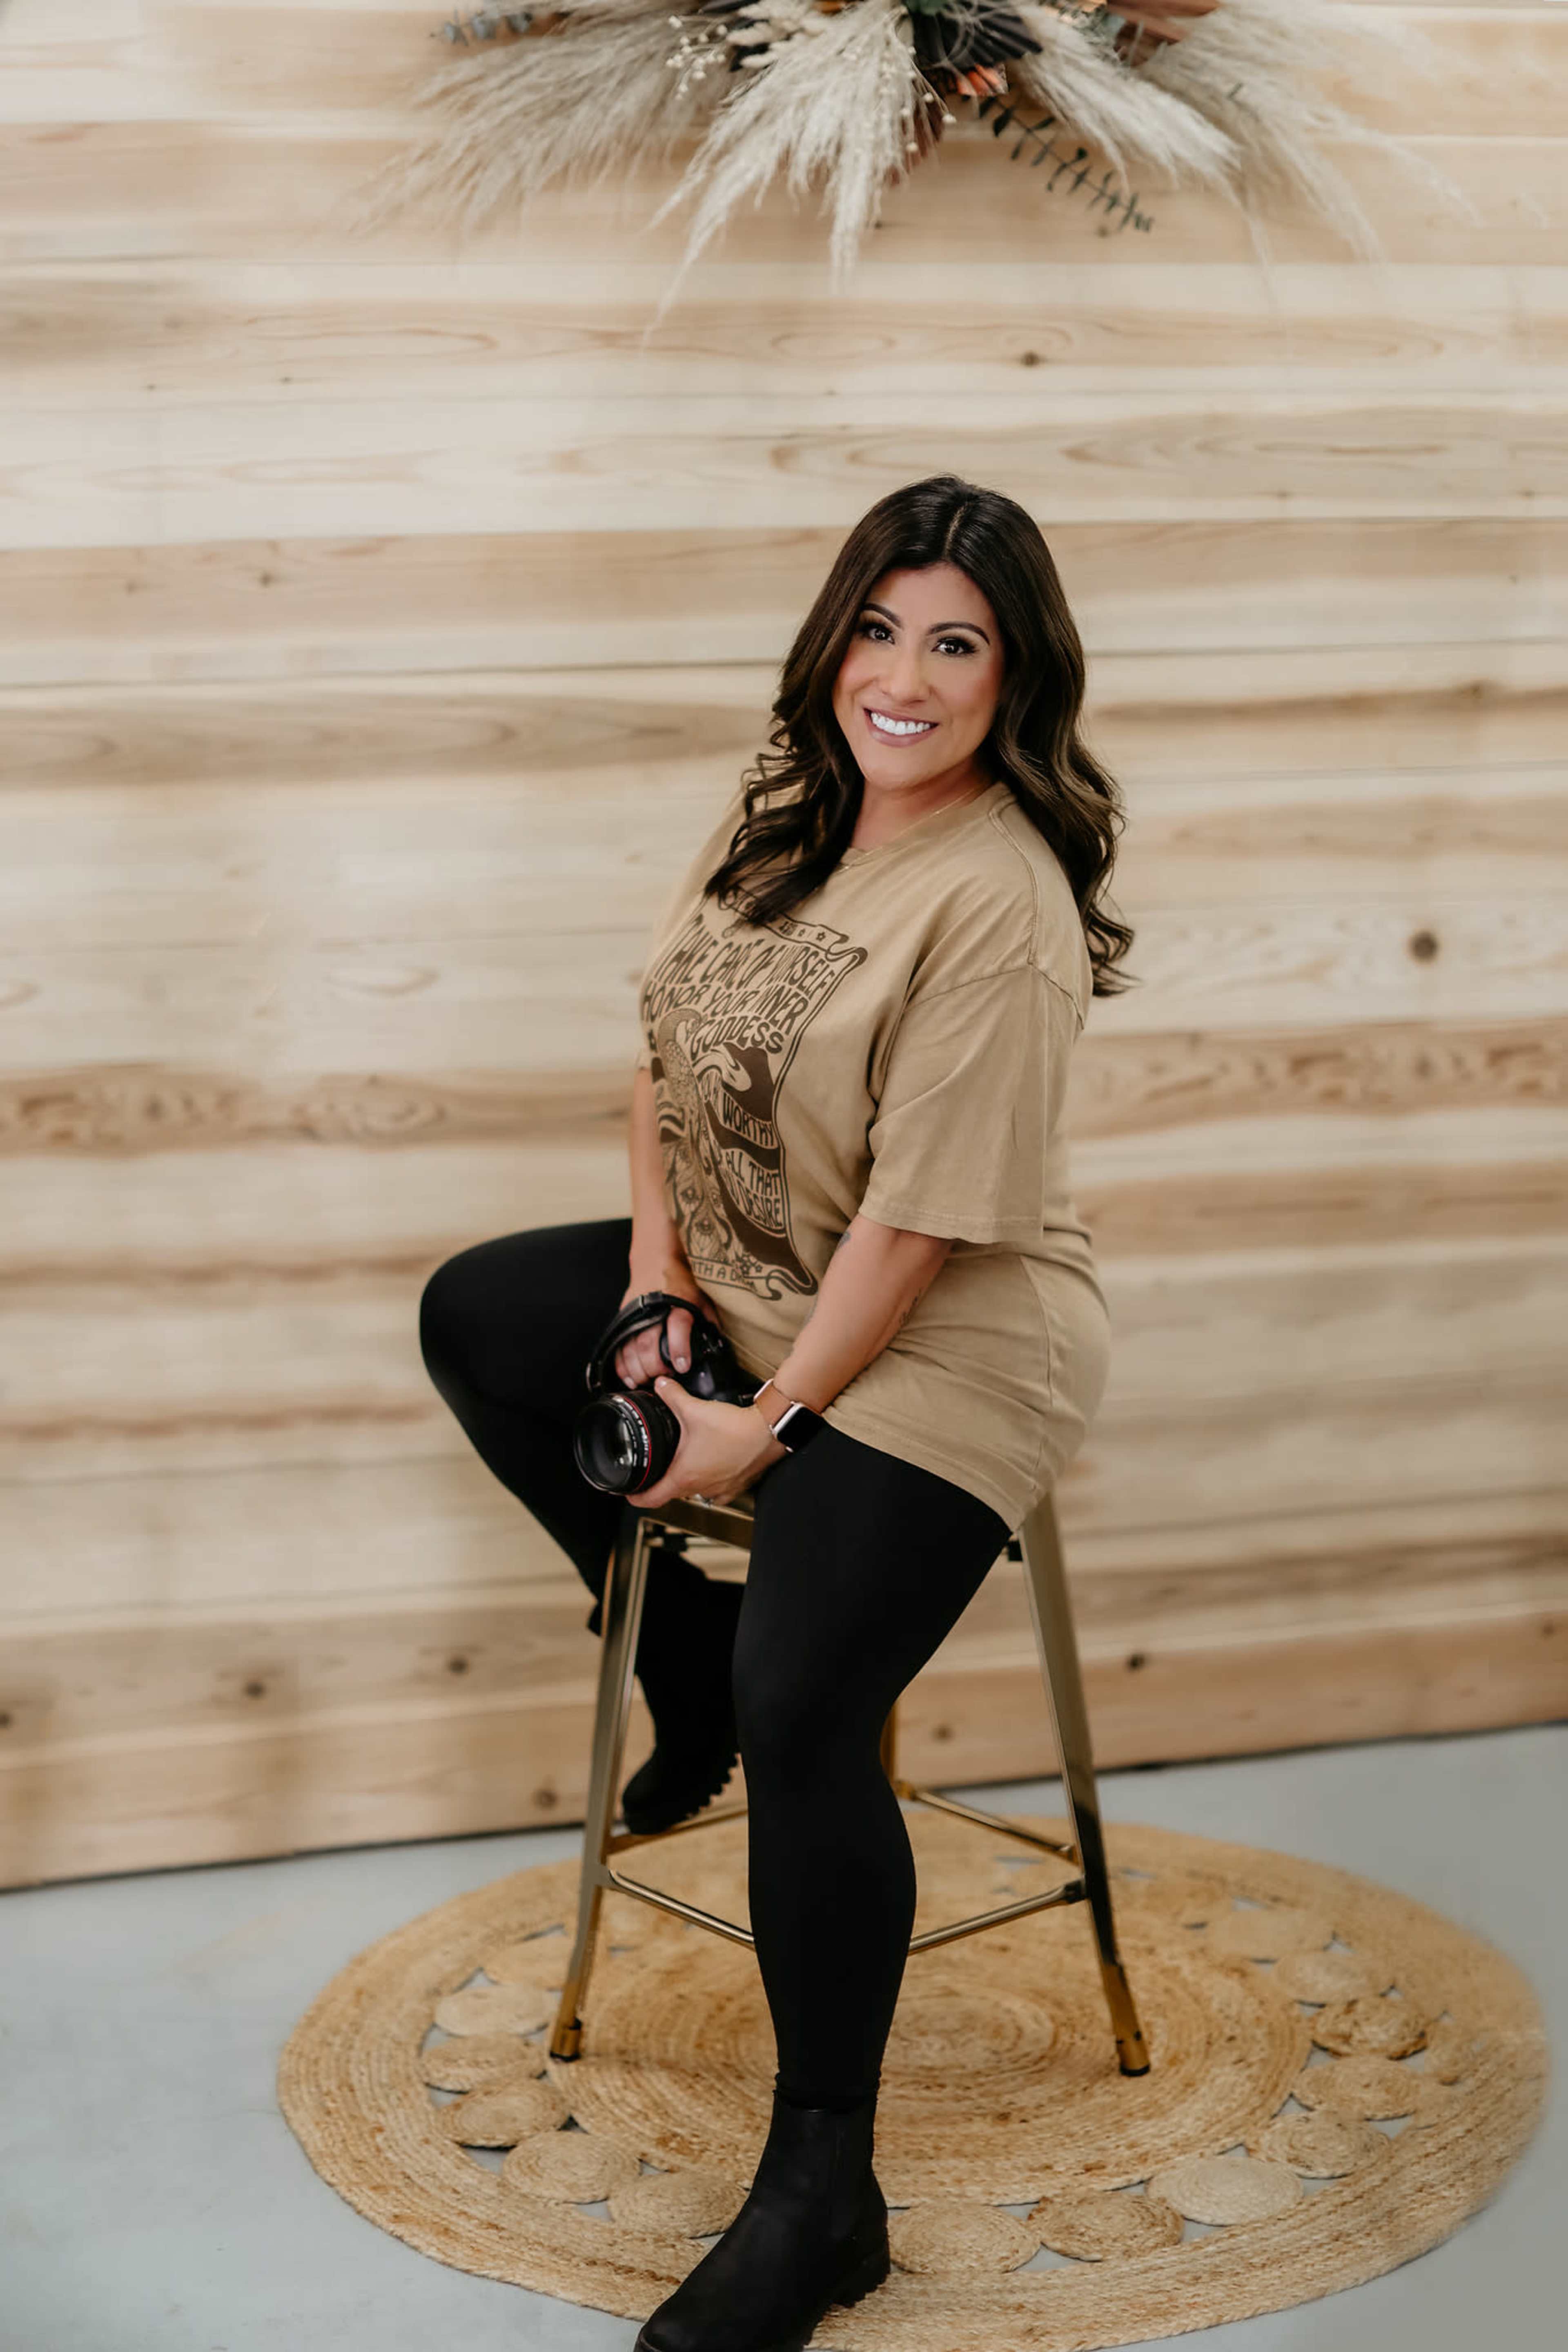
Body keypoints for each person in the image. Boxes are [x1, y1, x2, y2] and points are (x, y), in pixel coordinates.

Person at [419, 471, 1134, 2352]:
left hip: (944, 1339)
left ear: (1014, 679)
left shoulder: (1001, 898)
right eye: (880, 629)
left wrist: (771, 1431)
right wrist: (658, 1288)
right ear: (835, 641)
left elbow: (909, 1228)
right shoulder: (780, 825)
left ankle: (824, 2190)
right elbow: (660, 1066)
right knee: (488, 1314)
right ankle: (685, 1655)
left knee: (811, 1707)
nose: (905, 676)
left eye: (956, 644)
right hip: (753, 1278)